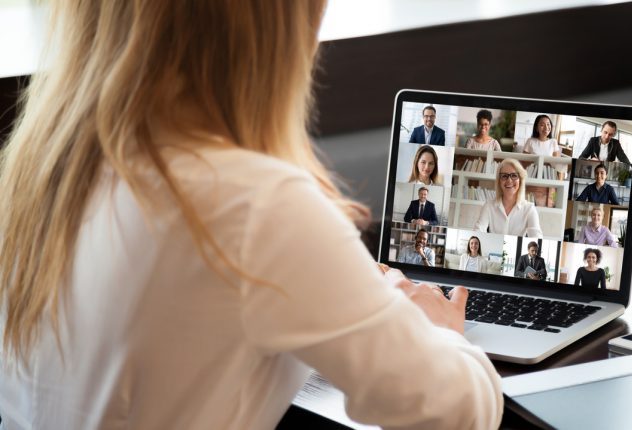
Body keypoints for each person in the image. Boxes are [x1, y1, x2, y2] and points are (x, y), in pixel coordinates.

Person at [0, 1, 503, 428]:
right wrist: (436, 333)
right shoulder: (255, 205)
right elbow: (454, 409)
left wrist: (343, 299)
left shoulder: (41, 174)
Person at [474, 158, 543, 236]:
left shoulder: (529, 209)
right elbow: (478, 231)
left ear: (520, 180)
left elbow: (536, 239)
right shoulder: (489, 206)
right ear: (499, 181)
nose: (509, 180)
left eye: (514, 175)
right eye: (504, 176)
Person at [523, 114, 566, 179]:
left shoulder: (553, 141)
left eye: (548, 124)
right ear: (537, 128)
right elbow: (524, 162)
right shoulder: (530, 141)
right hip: (532, 174)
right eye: (542, 125)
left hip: (548, 174)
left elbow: (556, 163)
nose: (546, 127)